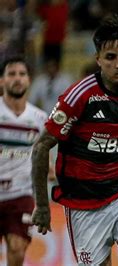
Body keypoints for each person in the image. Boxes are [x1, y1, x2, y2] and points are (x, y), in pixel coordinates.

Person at [30, 14, 118, 265]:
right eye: (110, 57)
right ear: (98, 60)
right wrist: (41, 206)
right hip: (83, 203)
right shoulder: (78, 97)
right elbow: (41, 147)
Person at [0, 57, 49, 266]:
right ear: (2, 81)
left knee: (18, 250)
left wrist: (52, 169)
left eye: (22, 74)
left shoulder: (39, 118)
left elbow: (42, 155)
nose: (17, 79)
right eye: (12, 74)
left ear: (29, 80)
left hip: (21, 193)